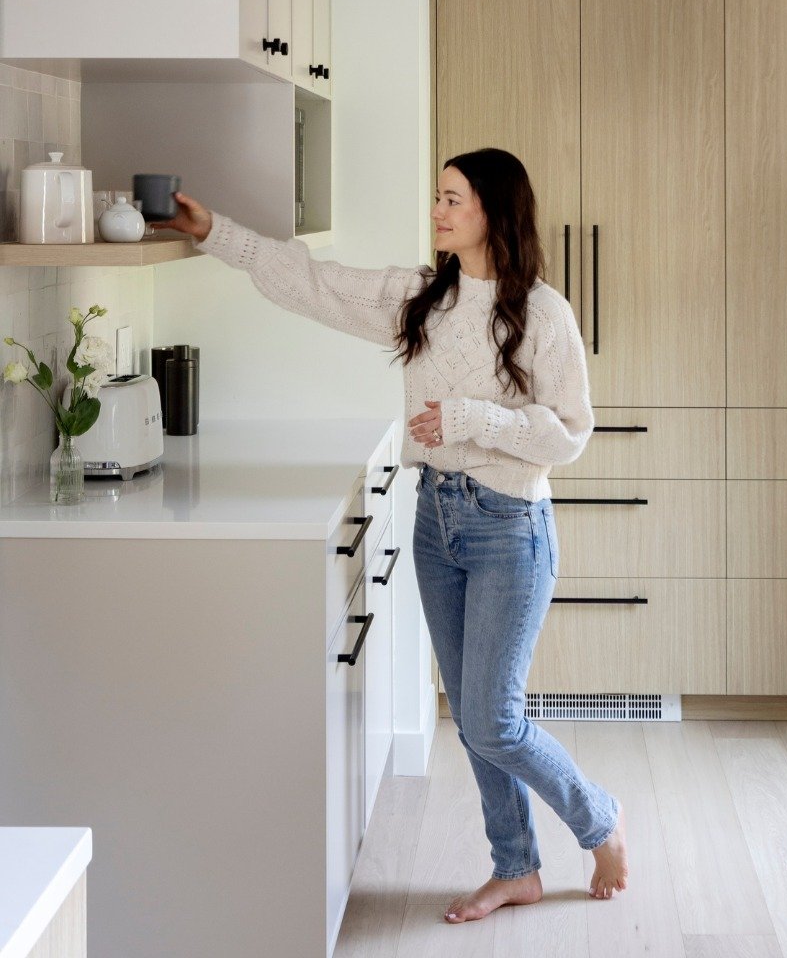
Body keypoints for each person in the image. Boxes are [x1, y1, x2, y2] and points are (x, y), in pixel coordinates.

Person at [158, 147, 629, 923]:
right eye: (437, 198)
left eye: (453, 198)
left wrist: (472, 419)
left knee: (491, 718)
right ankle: (516, 867)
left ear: (493, 211)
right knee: (475, 715)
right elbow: (313, 283)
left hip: (511, 528)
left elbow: (571, 433)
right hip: (436, 522)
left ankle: (599, 822)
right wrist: (216, 234)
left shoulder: (543, 313)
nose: (439, 211)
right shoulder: (419, 296)